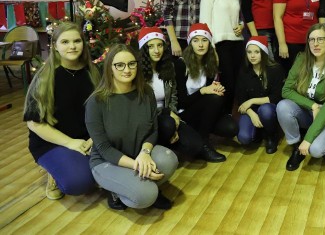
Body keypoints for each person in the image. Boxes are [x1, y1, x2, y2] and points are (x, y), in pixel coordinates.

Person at [85, 44, 179, 210]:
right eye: (119, 65)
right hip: (107, 161)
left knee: (169, 159)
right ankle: (116, 190)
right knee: (146, 196)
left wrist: (145, 153)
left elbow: (152, 130)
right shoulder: (96, 102)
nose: (126, 69)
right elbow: (104, 148)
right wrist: (136, 164)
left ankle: (142, 185)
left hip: (137, 153)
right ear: (110, 68)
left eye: (131, 64)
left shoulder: (146, 92)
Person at [23, 22, 100, 200]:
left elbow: (105, 113)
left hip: (88, 140)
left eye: (77, 41)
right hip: (53, 142)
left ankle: (76, 163)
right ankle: (54, 173)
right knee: (79, 183)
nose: (72, 46)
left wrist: (94, 138)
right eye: (65, 42)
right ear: (55, 46)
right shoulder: (44, 77)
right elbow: (35, 123)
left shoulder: (94, 72)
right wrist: (70, 143)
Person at [276, 23, 325, 171]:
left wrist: (308, 140)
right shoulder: (301, 59)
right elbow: (286, 90)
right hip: (309, 109)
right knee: (283, 106)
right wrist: (313, 105)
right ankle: (297, 147)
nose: (316, 44)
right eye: (312, 40)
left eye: (320, 39)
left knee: (316, 150)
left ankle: (324, 139)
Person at [138, 27, 214, 161]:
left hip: (169, 116)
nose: (157, 50)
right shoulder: (138, 74)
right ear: (144, 48)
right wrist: (168, 114)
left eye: (160, 45)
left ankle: (169, 142)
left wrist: (173, 116)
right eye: (151, 46)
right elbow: (140, 107)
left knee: (195, 146)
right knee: (168, 124)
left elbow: (173, 97)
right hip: (149, 120)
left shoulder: (168, 67)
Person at [174, 23, 239, 163]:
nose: (200, 45)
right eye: (196, 41)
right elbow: (181, 101)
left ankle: (200, 131)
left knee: (231, 128)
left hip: (201, 110)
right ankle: (204, 143)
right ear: (190, 43)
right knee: (214, 98)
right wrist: (204, 91)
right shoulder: (181, 64)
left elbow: (210, 95)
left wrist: (217, 88)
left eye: (204, 40)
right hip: (184, 112)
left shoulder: (210, 63)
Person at [200, 0, 245, 113]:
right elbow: (204, 22)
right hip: (220, 44)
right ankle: (223, 118)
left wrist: (241, 26)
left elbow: (239, 19)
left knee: (238, 84)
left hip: (238, 43)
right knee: (227, 83)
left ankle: (232, 118)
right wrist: (211, 49)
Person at [235, 36, 285, 153]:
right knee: (244, 138)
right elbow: (240, 98)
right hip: (250, 110)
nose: (252, 56)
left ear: (263, 52)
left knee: (265, 110)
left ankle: (272, 136)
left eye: (256, 52)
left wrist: (252, 101)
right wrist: (251, 113)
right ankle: (258, 132)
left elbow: (276, 97)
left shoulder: (275, 69)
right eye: (249, 52)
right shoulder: (244, 71)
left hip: (269, 108)